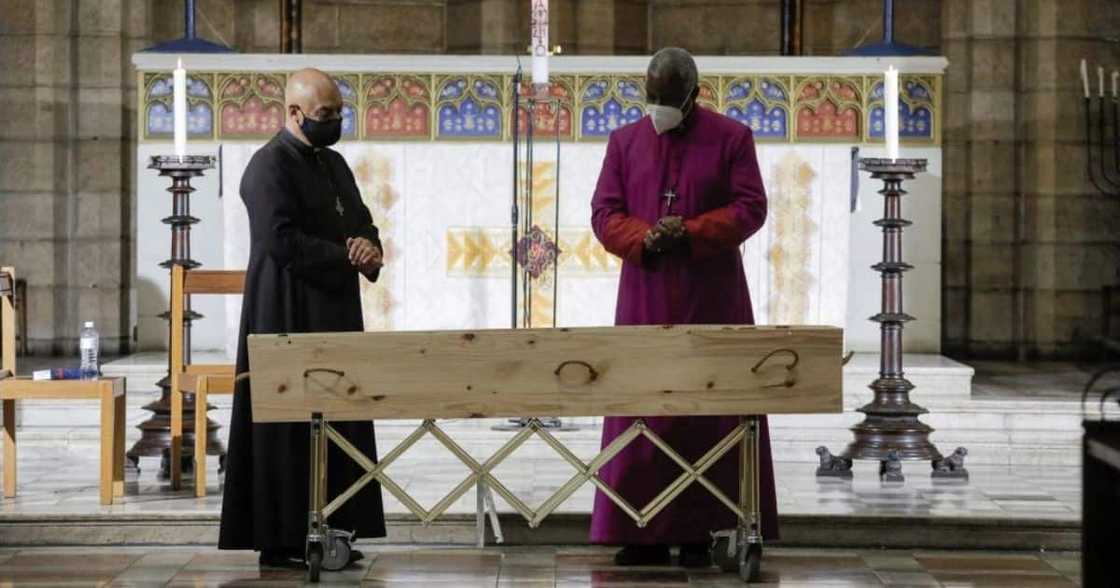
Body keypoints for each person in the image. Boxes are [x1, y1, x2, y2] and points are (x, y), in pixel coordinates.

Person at [589, 47, 776, 567]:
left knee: (708, 412)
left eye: (669, 99)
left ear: (694, 94)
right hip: (645, 293)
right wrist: (645, 236)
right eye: (651, 98)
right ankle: (638, 529)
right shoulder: (624, 142)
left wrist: (690, 232)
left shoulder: (732, 138)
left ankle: (706, 527)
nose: (658, 108)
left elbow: (750, 207)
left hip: (710, 294)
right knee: (643, 408)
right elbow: (605, 213)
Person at [218, 68, 386, 568]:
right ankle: (283, 535)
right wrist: (346, 254)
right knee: (288, 425)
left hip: (333, 309)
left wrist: (369, 246)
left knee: (339, 418)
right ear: (294, 113)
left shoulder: (334, 164)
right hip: (285, 311)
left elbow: (360, 219)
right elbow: (280, 241)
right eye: (325, 115)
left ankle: (336, 524)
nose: (334, 123)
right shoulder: (266, 166)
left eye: (339, 113)